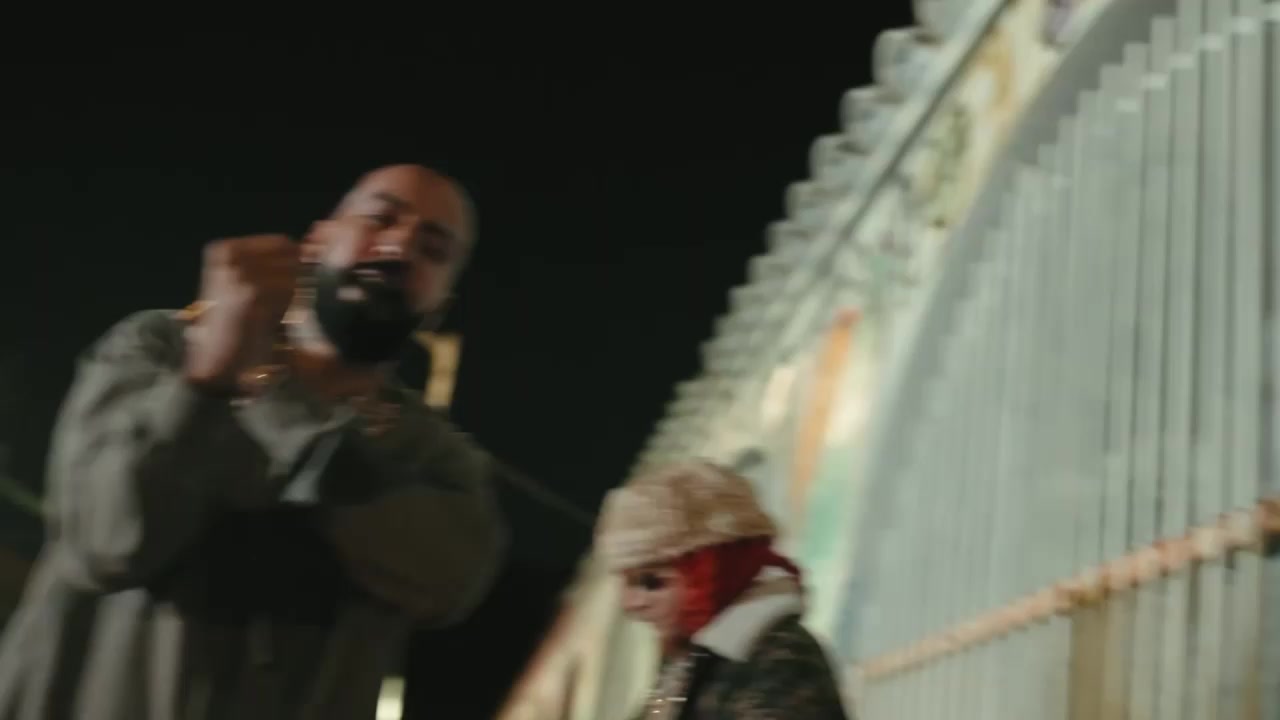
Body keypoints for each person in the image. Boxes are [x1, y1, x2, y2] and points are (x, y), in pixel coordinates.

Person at [0, 164, 507, 719]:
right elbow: (105, 542)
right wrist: (204, 383)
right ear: (316, 242)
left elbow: (450, 581)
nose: (399, 247)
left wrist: (274, 399)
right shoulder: (161, 348)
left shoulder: (437, 458)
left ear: (439, 306)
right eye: (380, 218)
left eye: (433, 249)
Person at [595, 460, 849, 720]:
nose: (631, 604)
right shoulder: (687, 661)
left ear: (715, 573)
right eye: (625, 582)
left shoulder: (783, 663)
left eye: (652, 582)